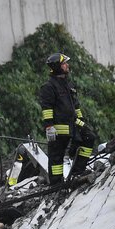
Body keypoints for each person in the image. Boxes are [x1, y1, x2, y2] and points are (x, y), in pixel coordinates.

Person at [39, 53, 95, 185]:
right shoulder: (49, 87)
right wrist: (49, 126)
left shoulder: (68, 84)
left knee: (89, 137)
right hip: (58, 128)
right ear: (57, 67)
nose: (67, 65)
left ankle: (77, 172)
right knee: (56, 156)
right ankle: (56, 184)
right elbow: (46, 108)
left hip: (74, 124)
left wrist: (81, 120)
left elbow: (76, 106)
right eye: (64, 63)